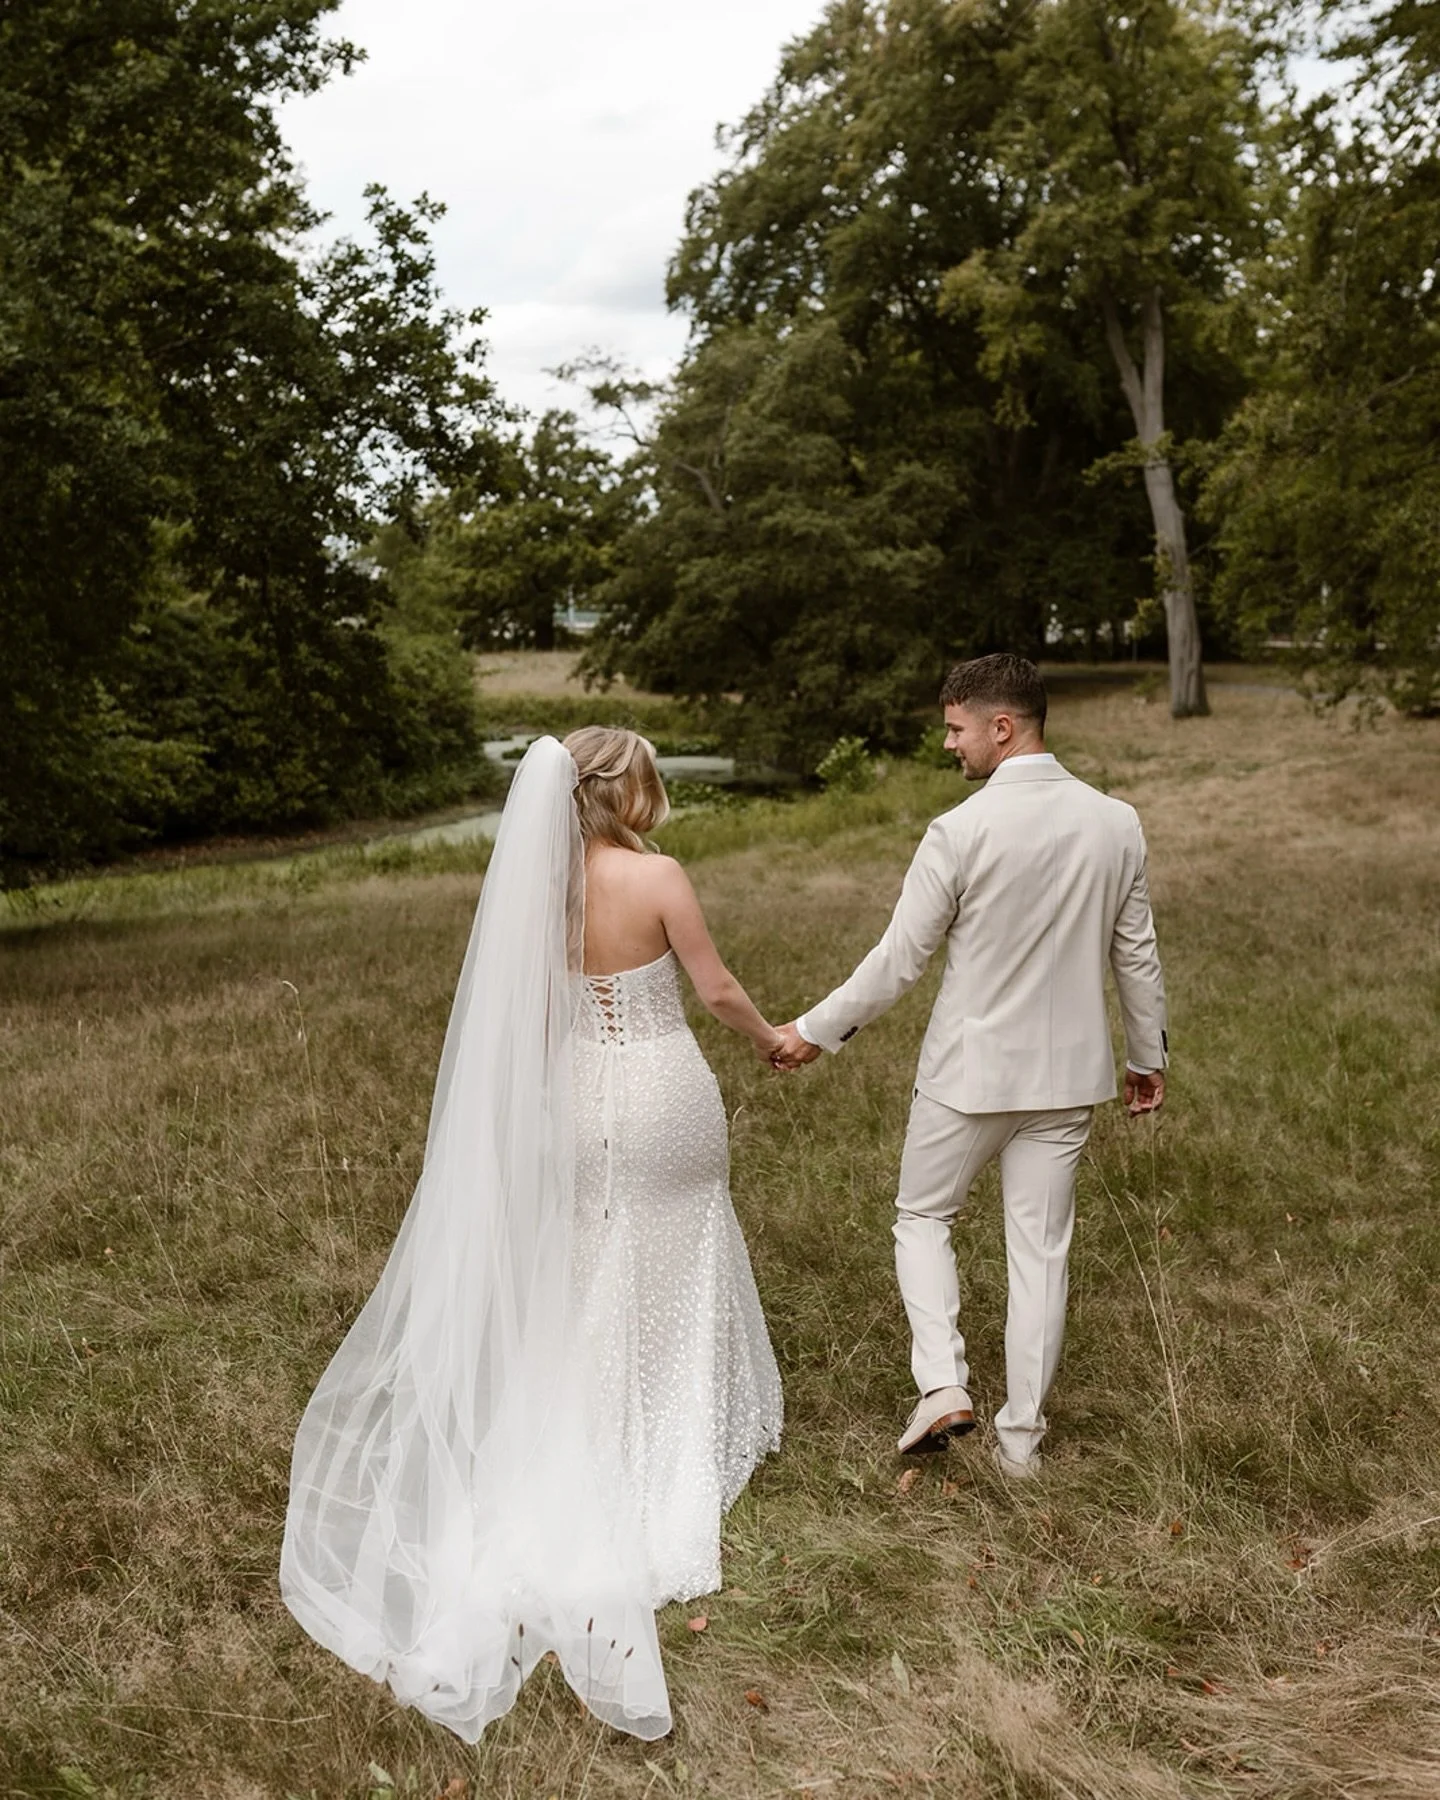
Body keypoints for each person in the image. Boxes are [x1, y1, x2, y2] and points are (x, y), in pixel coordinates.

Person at [281, 729, 782, 1743]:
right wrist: (774, 1038)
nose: (657, 797)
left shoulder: (542, 893)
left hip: (578, 1095)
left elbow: (532, 1017)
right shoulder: (658, 877)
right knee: (679, 1240)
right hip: (661, 1088)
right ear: (624, 790)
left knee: (596, 1260)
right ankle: (672, 1432)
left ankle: (579, 1423)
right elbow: (717, 988)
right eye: (650, 782)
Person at [772, 654, 1167, 1479]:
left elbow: (897, 962)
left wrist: (814, 1029)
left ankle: (944, 1383)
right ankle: (1021, 1442)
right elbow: (1136, 952)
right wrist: (1145, 1055)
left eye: (955, 728)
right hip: (1069, 1079)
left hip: (967, 1075)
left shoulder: (960, 830)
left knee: (921, 1219)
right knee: (1040, 1252)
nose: (948, 744)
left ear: (1001, 726)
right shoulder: (1116, 821)